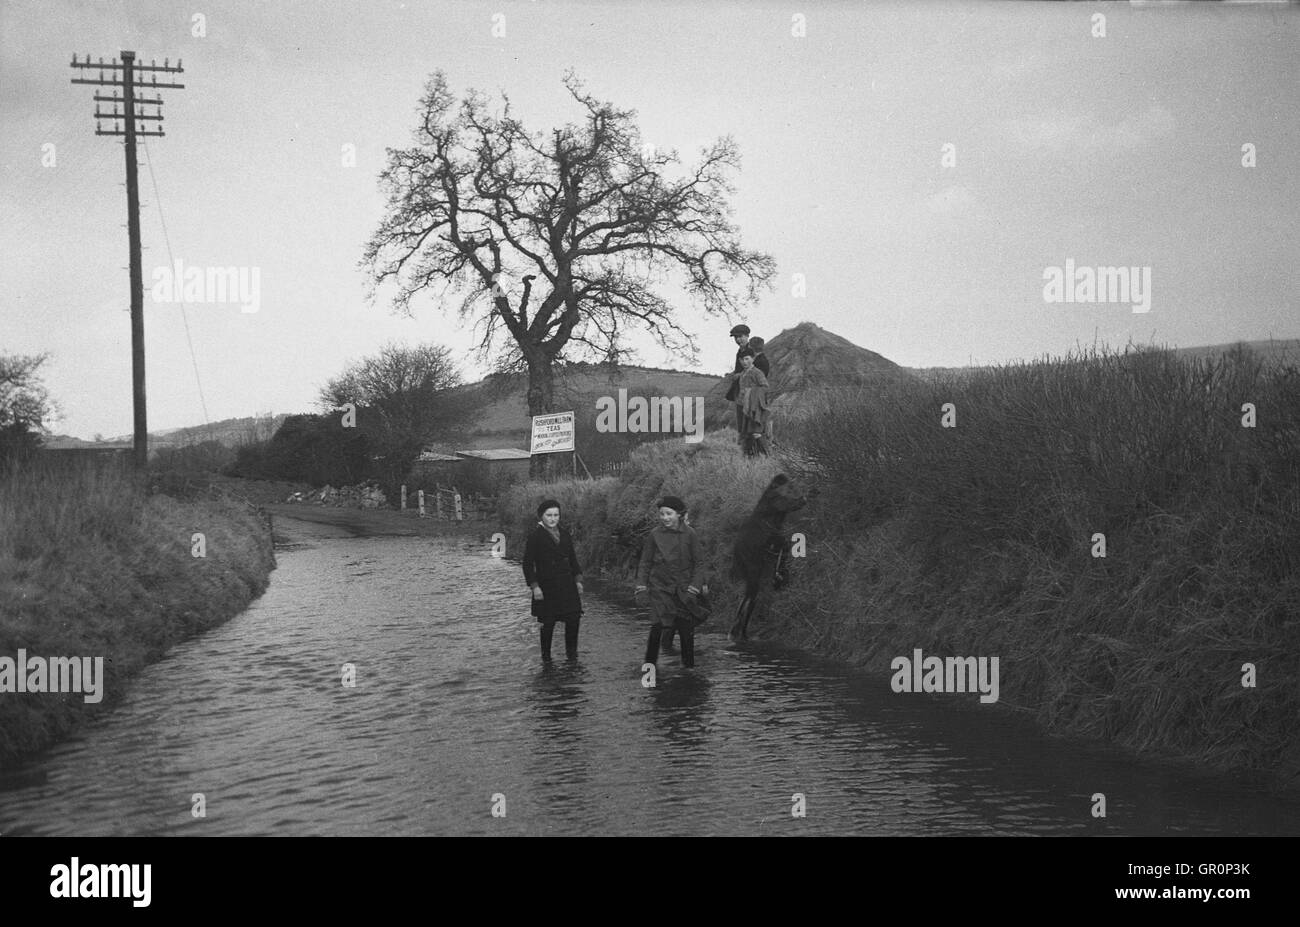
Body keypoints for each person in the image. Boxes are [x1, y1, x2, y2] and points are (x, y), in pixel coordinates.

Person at [634, 496, 707, 668]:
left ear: (679, 514)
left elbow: (699, 564)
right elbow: (645, 563)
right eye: (662, 514)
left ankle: (688, 673)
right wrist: (641, 588)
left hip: (684, 592)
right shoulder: (654, 535)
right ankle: (649, 671)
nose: (665, 518)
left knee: (686, 632)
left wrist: (694, 588)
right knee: (657, 628)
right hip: (660, 590)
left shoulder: (690, 534)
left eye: (669, 514)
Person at [522, 499, 584, 661]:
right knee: (548, 624)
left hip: (567, 585)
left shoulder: (565, 534)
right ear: (541, 516)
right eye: (549, 515)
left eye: (556, 515)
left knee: (573, 619)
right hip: (546, 587)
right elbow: (528, 565)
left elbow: (573, 559)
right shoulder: (535, 537)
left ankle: (572, 658)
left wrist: (578, 579)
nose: (553, 518)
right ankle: (547, 661)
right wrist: (534, 587)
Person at [725, 325, 769, 446]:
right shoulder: (740, 351)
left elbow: (759, 375)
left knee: (753, 428)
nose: (738, 340)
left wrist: (740, 375)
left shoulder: (755, 354)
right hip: (741, 395)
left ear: (747, 336)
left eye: (740, 337)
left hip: (752, 397)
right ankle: (745, 453)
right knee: (742, 427)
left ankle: (756, 454)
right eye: (735, 338)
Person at [736, 349, 770, 457]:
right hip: (745, 407)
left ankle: (768, 455)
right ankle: (750, 457)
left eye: (747, 359)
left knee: (757, 433)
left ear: (753, 359)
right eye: (742, 359)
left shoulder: (757, 372)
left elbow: (765, 387)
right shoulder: (743, 374)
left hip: (755, 408)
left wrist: (750, 391)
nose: (744, 362)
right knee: (746, 434)